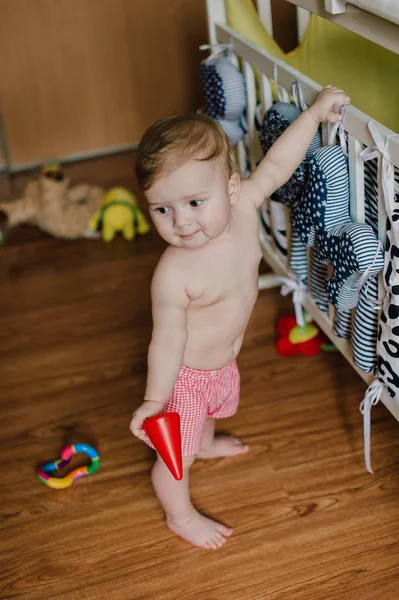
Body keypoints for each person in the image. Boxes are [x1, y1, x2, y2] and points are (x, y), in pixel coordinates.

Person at [130, 86, 350, 549]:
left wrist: (312, 116)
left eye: (194, 203)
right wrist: (154, 401)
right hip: (184, 378)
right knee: (176, 458)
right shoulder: (172, 275)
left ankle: (205, 443)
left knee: (211, 414)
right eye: (162, 209)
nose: (182, 222)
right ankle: (180, 515)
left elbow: (276, 164)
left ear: (230, 189)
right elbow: (166, 342)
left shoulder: (246, 205)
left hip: (224, 364)